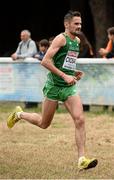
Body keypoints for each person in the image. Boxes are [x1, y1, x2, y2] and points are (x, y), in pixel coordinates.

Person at [7, 10, 98, 171]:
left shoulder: (76, 41)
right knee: (44, 123)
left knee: (80, 119)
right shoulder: (60, 38)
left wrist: (73, 72)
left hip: (68, 87)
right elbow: (45, 61)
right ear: (67, 24)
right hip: (54, 87)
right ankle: (19, 114)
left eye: (80, 23)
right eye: (76, 23)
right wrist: (64, 75)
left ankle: (82, 159)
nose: (79, 26)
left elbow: (64, 62)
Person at [11, 29, 38, 108]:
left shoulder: (31, 43)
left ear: (28, 36)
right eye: (21, 35)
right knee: (25, 85)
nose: (21, 37)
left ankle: (33, 102)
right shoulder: (21, 43)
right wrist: (14, 55)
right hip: (24, 69)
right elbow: (17, 52)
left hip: (32, 69)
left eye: (23, 35)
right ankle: (27, 102)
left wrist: (18, 56)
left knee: (32, 85)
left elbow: (30, 54)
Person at [77, 31, 94, 111]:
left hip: (87, 71)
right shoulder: (77, 46)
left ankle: (86, 107)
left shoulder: (86, 46)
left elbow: (83, 56)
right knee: (80, 89)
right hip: (80, 70)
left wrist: (74, 55)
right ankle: (80, 105)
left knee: (86, 88)